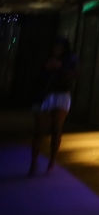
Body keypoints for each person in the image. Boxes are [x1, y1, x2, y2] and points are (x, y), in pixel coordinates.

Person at [29, 37, 78, 177]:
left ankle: (51, 162)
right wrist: (46, 67)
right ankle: (34, 163)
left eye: (59, 47)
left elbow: (74, 74)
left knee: (56, 129)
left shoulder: (70, 59)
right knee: (40, 130)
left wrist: (60, 67)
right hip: (44, 94)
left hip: (61, 94)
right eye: (55, 47)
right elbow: (35, 75)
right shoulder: (45, 57)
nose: (56, 49)